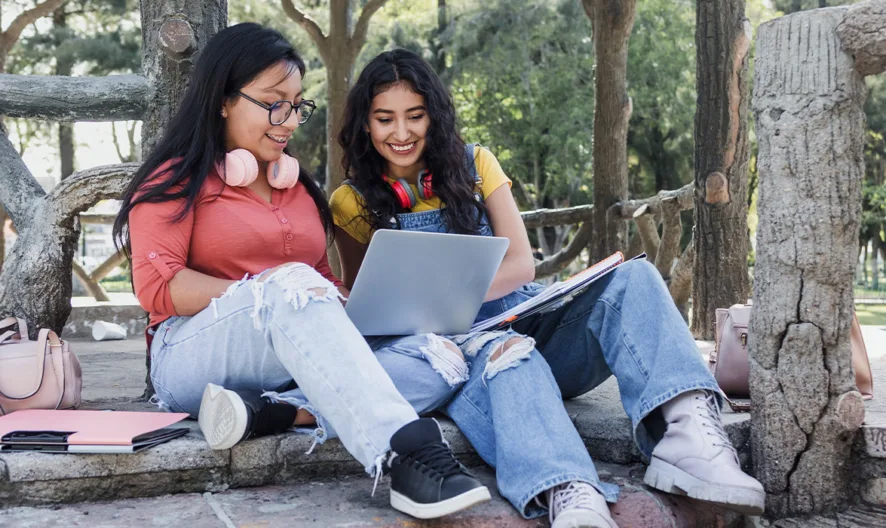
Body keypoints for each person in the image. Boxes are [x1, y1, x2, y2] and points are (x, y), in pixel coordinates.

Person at [330, 49, 766, 527]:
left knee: (634, 277)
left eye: (415, 116)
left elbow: (520, 265)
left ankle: (689, 437)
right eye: (385, 119)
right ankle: (570, 494)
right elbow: (367, 303)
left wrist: (450, 300)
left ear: (434, 115)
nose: (402, 132)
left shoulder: (475, 164)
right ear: (365, 125)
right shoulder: (350, 201)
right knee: (510, 353)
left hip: (531, 323)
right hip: (460, 358)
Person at [112, 25, 490, 520]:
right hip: (189, 352)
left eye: (296, 105)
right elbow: (159, 288)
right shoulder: (174, 181)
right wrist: (268, 295)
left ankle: (272, 411)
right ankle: (406, 455)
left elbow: (319, 283)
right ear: (224, 101)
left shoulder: (296, 187)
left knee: (439, 356)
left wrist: (357, 303)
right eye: (274, 103)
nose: (289, 120)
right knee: (292, 286)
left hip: (288, 352)